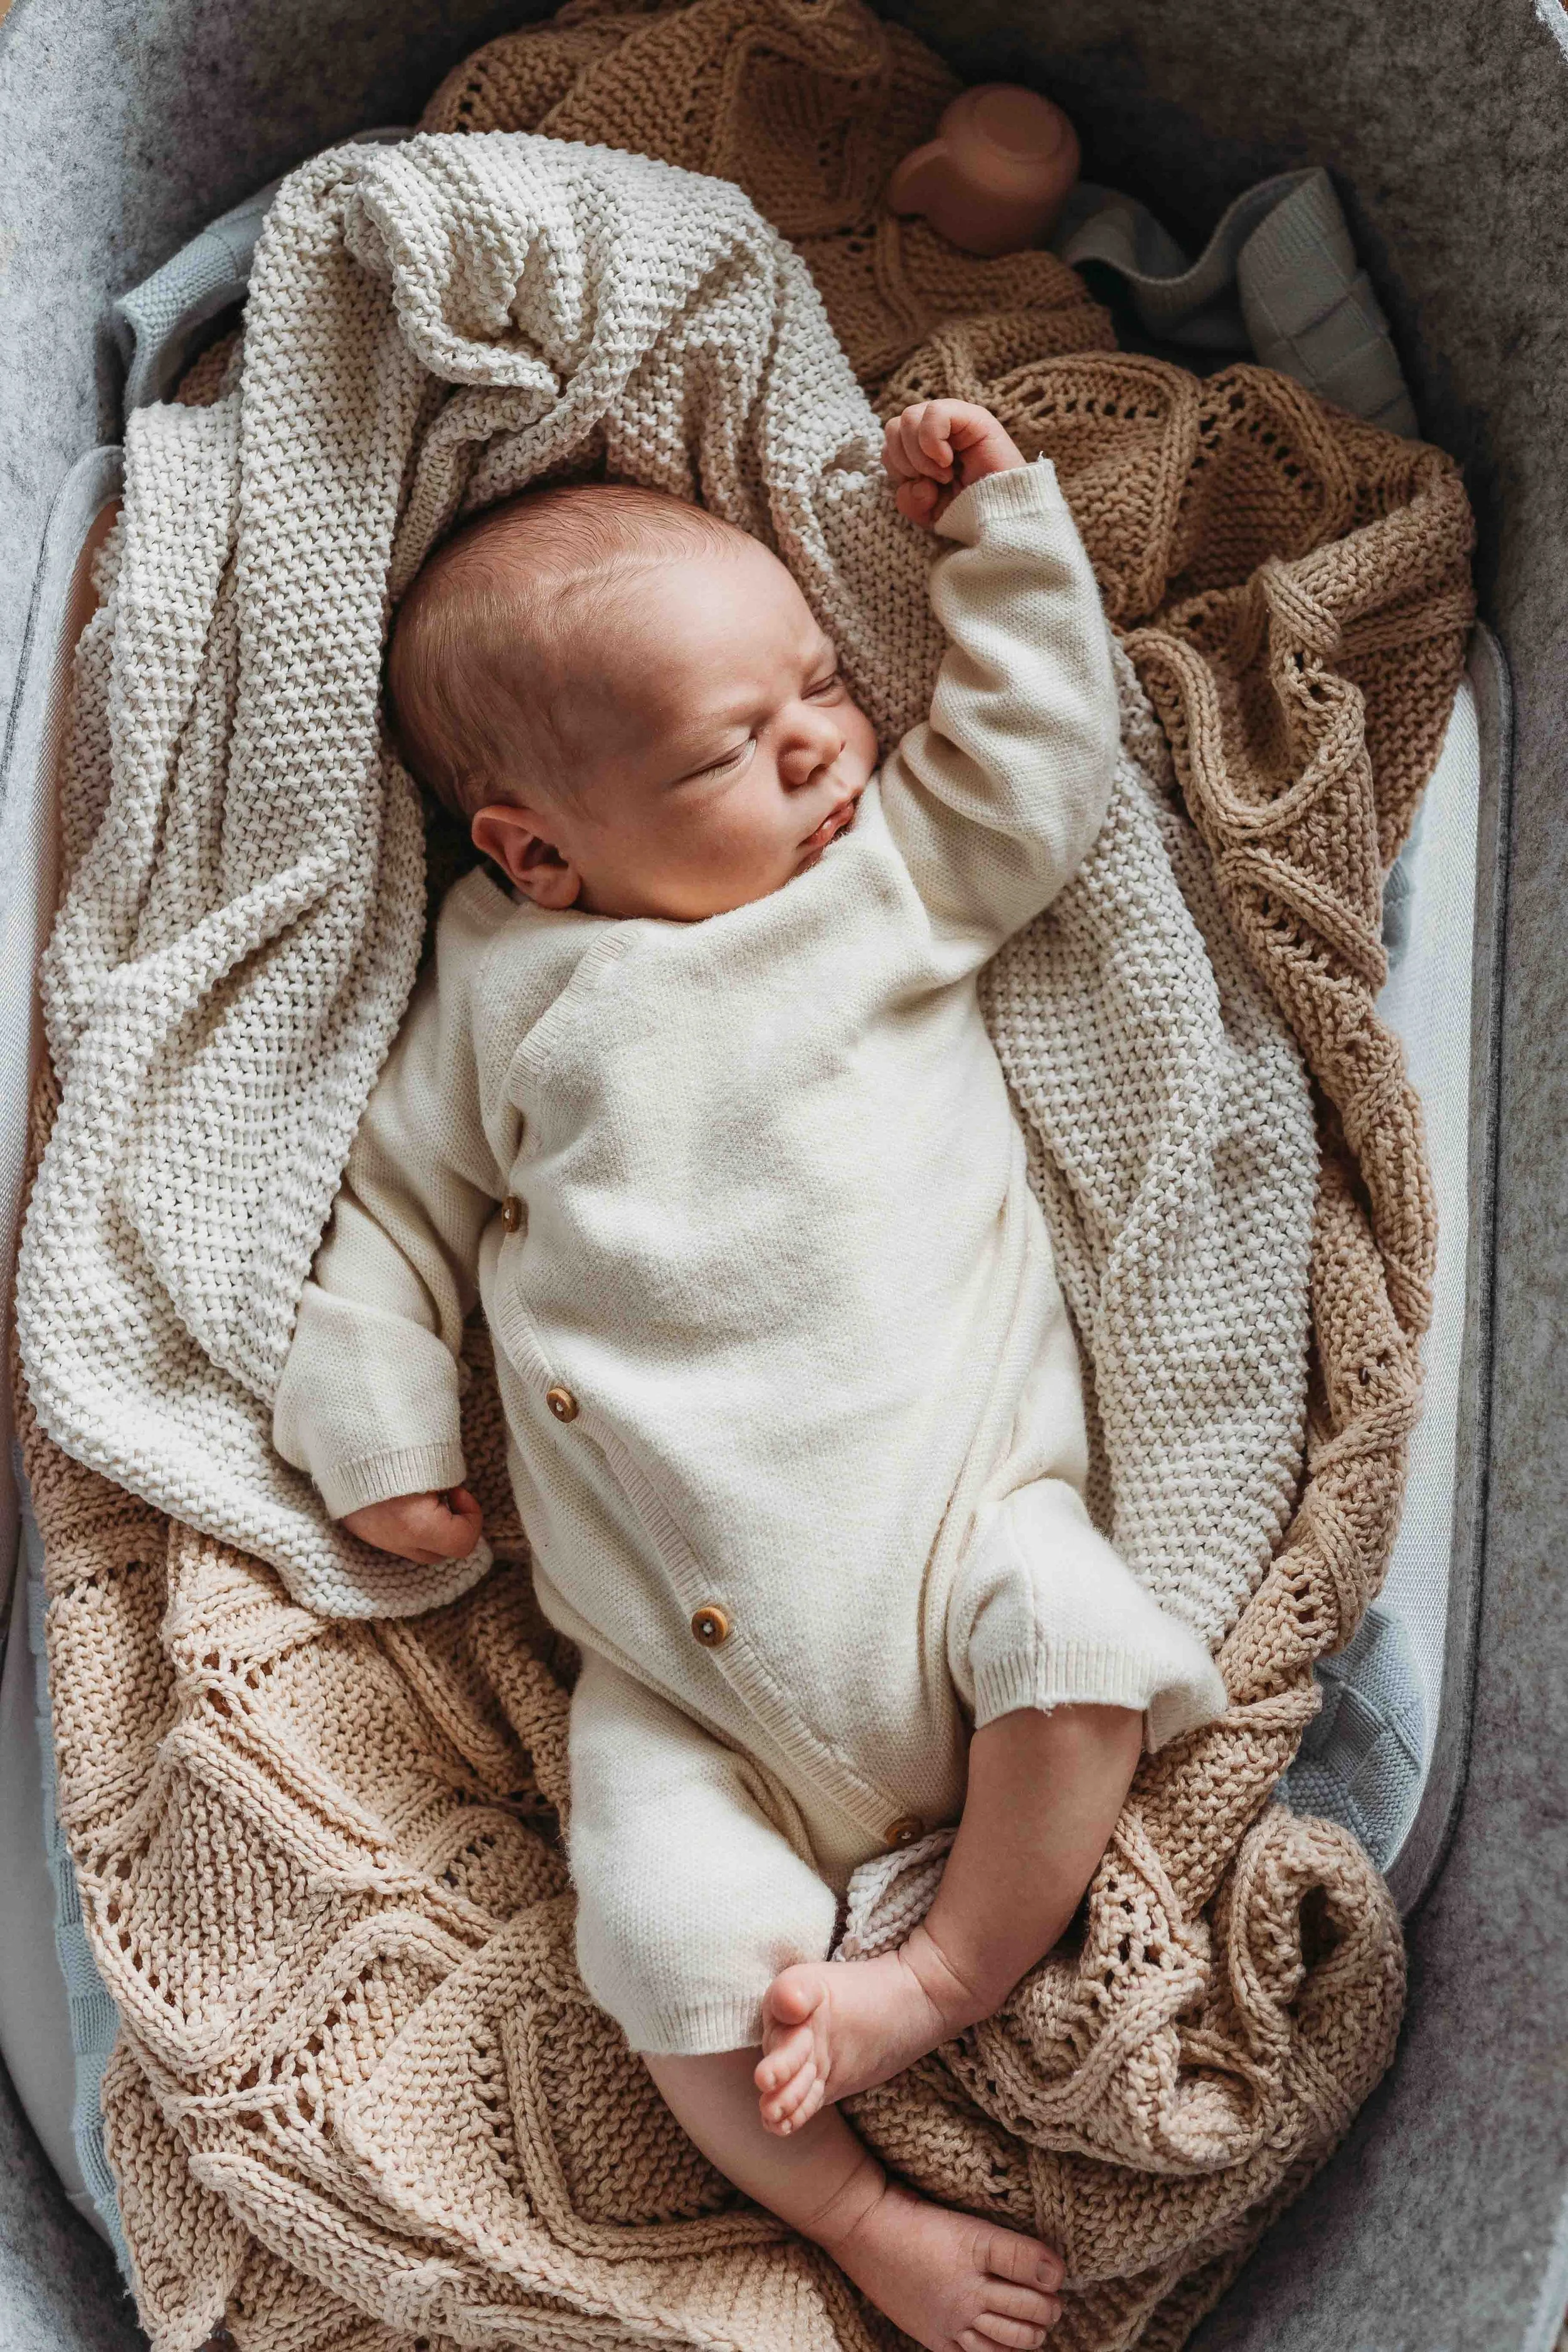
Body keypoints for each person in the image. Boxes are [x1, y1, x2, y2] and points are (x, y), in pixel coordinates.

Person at [273, 399, 1227, 2351]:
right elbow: (384, 1207)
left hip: (957, 1538)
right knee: (660, 1931)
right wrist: (373, 1424)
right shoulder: (506, 992)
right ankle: (851, 2209)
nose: (820, 745)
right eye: (734, 743)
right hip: (676, 1677)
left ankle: (945, 1969)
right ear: (536, 850)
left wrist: (997, 543)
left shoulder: (872, 892)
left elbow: (1035, 768)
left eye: (818, 688)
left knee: (1075, 1636)